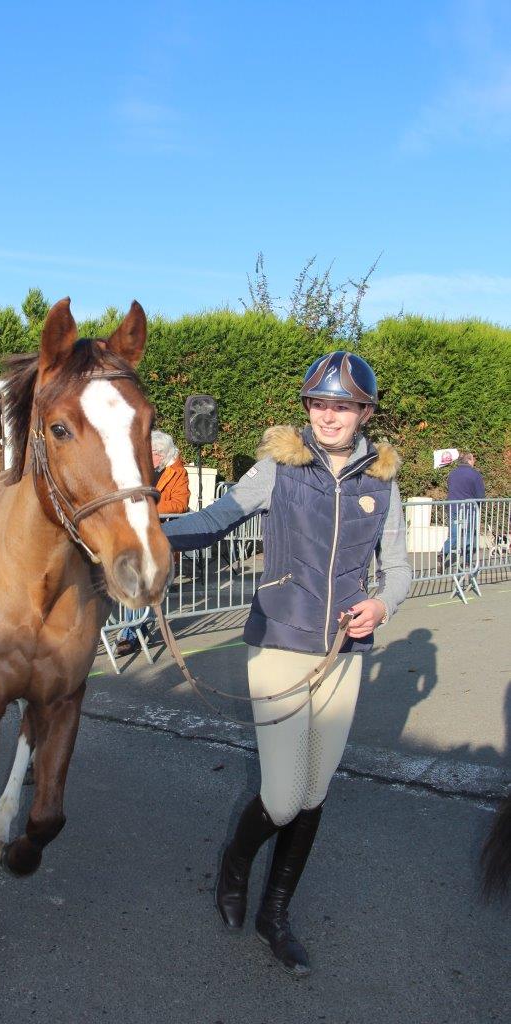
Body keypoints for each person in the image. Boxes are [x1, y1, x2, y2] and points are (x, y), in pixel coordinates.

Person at [162, 351, 412, 977]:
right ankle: (235, 863)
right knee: (280, 796)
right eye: (320, 404)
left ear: (364, 413)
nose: (330, 415)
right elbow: (217, 519)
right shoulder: (279, 466)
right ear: (309, 409)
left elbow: (401, 570)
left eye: (343, 405)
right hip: (277, 641)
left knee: (315, 791)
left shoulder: (383, 482)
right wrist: (147, 532)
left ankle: (277, 913)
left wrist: (381, 605)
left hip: (342, 653)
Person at [115, 430, 190, 656]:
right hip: (137, 537)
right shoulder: (145, 471)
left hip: (160, 539)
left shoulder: (178, 473)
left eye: (153, 453)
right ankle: (136, 629)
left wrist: (147, 505)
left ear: (163, 454)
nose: (149, 456)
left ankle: (131, 633)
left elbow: (180, 504)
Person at [439, 452, 485, 572]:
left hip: (453, 508)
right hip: (469, 509)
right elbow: (480, 495)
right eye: (473, 459)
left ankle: (443, 553)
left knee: (454, 536)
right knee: (469, 536)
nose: (474, 462)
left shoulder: (452, 474)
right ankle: (466, 562)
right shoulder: (475, 474)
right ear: (469, 460)